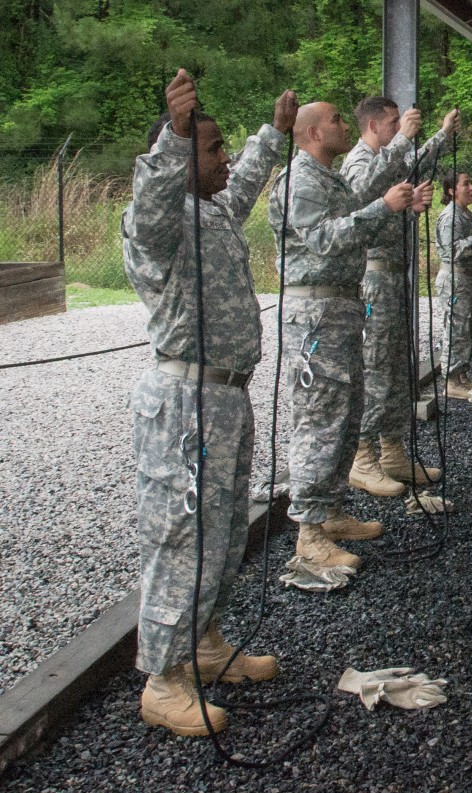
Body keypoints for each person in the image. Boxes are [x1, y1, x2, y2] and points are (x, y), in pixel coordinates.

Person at [124, 70, 293, 736]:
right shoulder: (158, 226)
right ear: (180, 158)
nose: (225, 159)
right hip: (185, 406)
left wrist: (273, 136)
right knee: (182, 538)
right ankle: (162, 683)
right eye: (214, 148)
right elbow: (153, 205)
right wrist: (174, 136)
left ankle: (205, 644)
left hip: (225, 401)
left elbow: (245, 181)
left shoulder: (215, 208)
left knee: (222, 538)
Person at [268, 101, 426, 569]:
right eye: (336, 120)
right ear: (313, 134)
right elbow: (324, 238)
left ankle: (331, 512)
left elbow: (356, 216)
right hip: (314, 313)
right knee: (319, 420)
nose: (344, 126)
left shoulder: (329, 178)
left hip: (339, 306)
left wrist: (392, 205)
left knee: (345, 410)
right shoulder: (299, 180)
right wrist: (383, 206)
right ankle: (309, 536)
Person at [341, 97, 450, 495]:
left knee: (397, 367)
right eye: (392, 123)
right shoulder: (358, 160)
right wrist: (404, 140)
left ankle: (392, 450)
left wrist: (411, 206)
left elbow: (391, 192)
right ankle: (363, 456)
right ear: (372, 125)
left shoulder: (388, 157)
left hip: (394, 278)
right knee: (377, 367)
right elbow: (361, 194)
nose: (399, 128)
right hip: (374, 278)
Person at [435, 171, 472, 400]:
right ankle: (450, 380)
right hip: (456, 280)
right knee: (456, 329)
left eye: (471, 184)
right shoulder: (450, 217)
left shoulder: (465, 215)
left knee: (470, 328)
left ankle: (462, 376)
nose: (471, 188)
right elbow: (452, 251)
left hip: (469, 278)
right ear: (451, 191)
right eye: (465, 184)